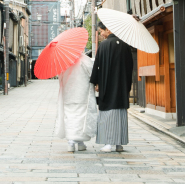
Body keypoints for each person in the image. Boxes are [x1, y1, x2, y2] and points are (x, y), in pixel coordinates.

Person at [89, 21, 134, 152]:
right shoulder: (125, 45)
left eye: (101, 31)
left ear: (108, 29)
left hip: (107, 85)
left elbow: (97, 65)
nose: (101, 34)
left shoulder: (104, 45)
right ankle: (119, 143)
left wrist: (96, 82)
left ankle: (108, 143)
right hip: (122, 85)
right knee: (120, 112)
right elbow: (130, 66)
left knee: (107, 113)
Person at [54, 53, 97, 152]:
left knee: (69, 116)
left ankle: (72, 142)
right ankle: (79, 142)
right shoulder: (84, 59)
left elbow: (59, 75)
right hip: (82, 91)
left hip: (68, 91)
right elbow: (92, 73)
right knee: (81, 117)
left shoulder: (64, 60)